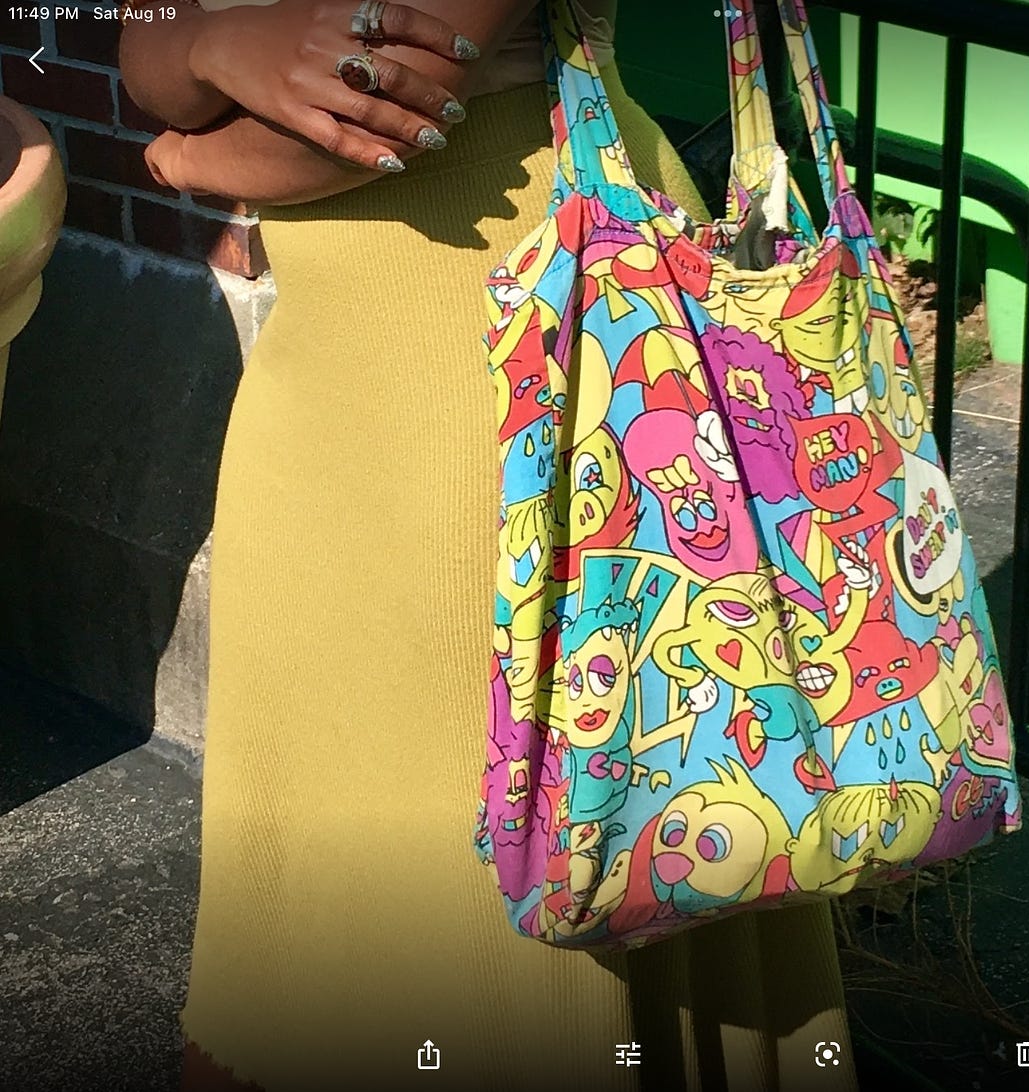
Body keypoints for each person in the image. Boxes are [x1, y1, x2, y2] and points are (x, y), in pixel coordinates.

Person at [118, 2, 859, 1089]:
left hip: (528, 331)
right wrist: (203, 52)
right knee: (329, 820)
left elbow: (377, 104)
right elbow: (144, 46)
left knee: (517, 832)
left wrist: (178, 150)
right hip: (331, 374)